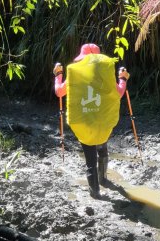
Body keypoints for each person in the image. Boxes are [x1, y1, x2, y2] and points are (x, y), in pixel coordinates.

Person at [53, 43, 130, 199]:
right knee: (102, 148)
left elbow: (59, 92)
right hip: (102, 121)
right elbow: (119, 93)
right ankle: (103, 179)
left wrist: (58, 75)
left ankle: (94, 192)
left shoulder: (76, 74)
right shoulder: (106, 76)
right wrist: (122, 78)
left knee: (90, 159)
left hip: (84, 122)